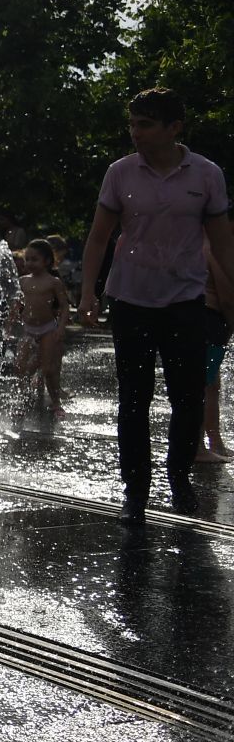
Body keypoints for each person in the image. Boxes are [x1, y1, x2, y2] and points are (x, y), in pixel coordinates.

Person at [78, 87, 234, 522]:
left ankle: (179, 477)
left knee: (187, 397)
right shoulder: (120, 173)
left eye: (145, 124)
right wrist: (88, 292)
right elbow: (98, 237)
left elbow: (222, 241)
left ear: (174, 128)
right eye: (132, 124)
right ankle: (136, 489)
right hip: (130, 298)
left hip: (187, 300)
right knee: (134, 398)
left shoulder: (206, 175)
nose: (135, 133)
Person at [11, 238, 70, 418]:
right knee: (20, 367)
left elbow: (64, 307)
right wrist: (9, 322)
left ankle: (56, 403)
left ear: (47, 261)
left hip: (47, 329)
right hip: (29, 329)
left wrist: (60, 327)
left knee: (48, 369)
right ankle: (21, 401)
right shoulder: (22, 281)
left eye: (34, 259)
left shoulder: (53, 282)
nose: (29, 263)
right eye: (27, 259)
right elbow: (18, 305)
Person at [196, 241, 233, 465]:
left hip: (202, 318)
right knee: (204, 385)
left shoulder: (199, 242)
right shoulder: (215, 246)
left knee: (210, 384)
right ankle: (198, 447)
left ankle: (213, 441)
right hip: (211, 318)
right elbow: (227, 296)